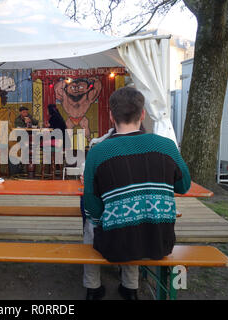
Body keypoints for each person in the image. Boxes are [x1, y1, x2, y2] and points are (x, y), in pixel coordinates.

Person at [83, 86, 191, 300]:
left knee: (91, 221)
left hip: (115, 244)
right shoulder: (167, 146)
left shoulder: (98, 152)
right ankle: (130, 287)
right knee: (137, 212)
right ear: (142, 114)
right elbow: (183, 186)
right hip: (160, 241)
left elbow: (92, 206)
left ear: (111, 115)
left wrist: (98, 220)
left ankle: (92, 288)